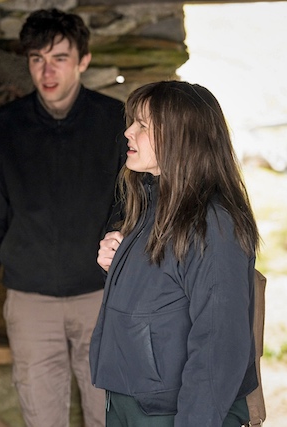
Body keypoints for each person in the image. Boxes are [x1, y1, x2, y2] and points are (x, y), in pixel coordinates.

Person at [0, 8, 127, 427]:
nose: (47, 71)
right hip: (30, 303)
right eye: (37, 59)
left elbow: (133, 205)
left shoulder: (116, 121)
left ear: (83, 60)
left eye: (59, 58)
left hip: (103, 299)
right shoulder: (5, 126)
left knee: (110, 417)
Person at [89, 81, 260, 426]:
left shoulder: (213, 225)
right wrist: (117, 265)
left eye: (142, 125)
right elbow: (164, 295)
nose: (128, 132)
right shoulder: (151, 203)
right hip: (131, 401)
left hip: (176, 412)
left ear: (181, 138)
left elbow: (219, 347)